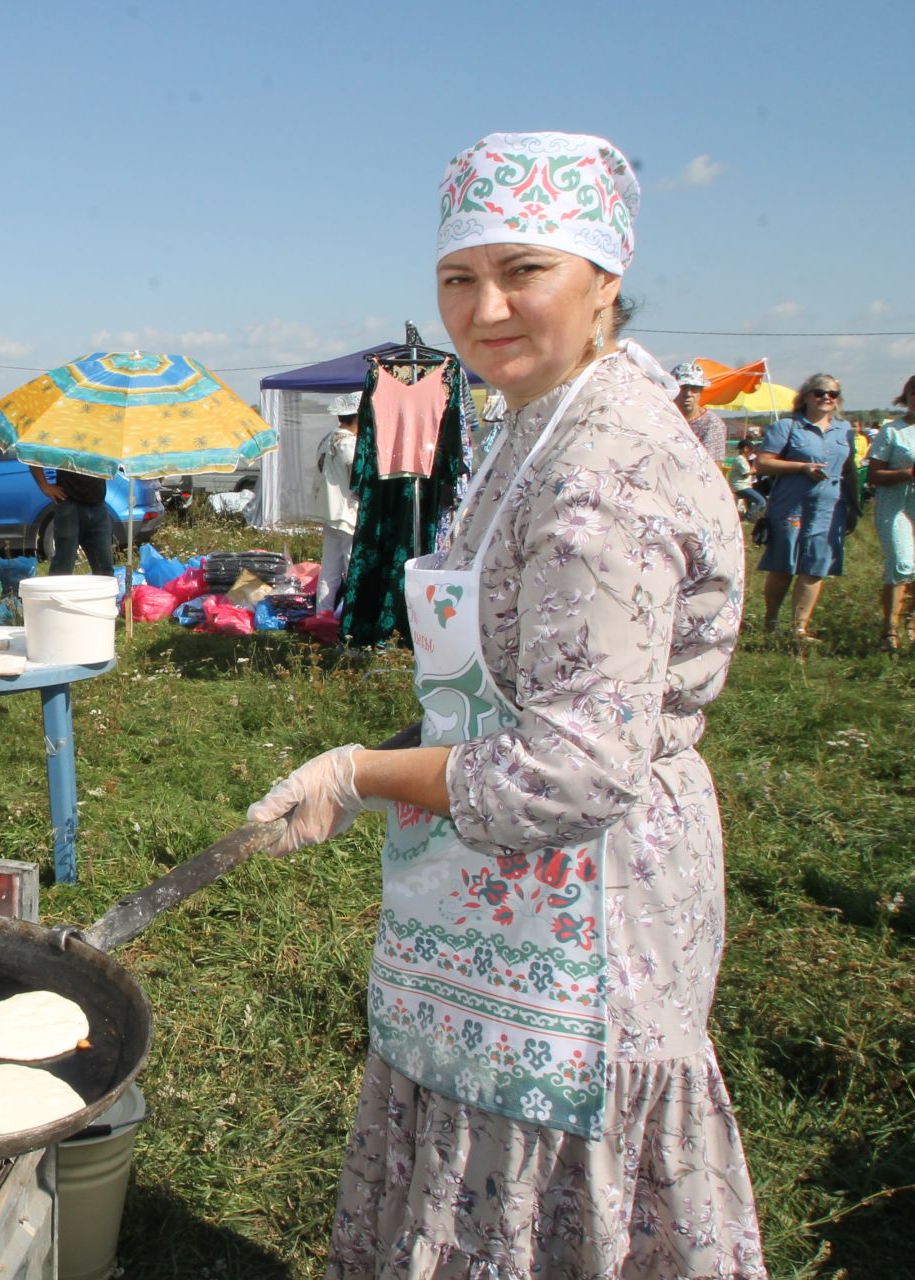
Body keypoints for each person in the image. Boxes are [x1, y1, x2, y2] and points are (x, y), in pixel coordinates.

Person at [248, 131, 765, 1276]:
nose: (485, 308)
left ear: (604, 282)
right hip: (500, 902)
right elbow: (513, 684)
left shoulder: (604, 472)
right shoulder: (537, 422)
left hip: (586, 923)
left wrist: (359, 771)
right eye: (457, 277)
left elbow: (574, 768)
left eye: (524, 269)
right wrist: (398, 747)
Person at [754, 373, 859, 641]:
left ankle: (799, 628)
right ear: (806, 396)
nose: (826, 397)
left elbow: (849, 470)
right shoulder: (787, 427)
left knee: (816, 567)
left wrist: (853, 505)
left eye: (833, 394)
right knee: (784, 565)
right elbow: (763, 463)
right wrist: (802, 467)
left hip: (829, 507)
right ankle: (772, 622)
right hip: (791, 504)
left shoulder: (845, 430)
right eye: (820, 392)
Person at [868, 376, 915, 650]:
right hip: (895, 505)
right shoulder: (892, 432)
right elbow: (874, 474)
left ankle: (910, 622)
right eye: (913, 393)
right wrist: (907, 473)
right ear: (905, 397)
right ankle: (889, 631)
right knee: (902, 562)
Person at [316, 391, 361, 613]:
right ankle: (348, 617)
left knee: (330, 571)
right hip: (346, 511)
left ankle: (322, 615)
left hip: (329, 511)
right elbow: (357, 471)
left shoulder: (327, 439)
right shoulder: (348, 443)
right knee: (353, 567)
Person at [28, 463, 114, 577]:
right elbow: (33, 452)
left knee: (105, 568)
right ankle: (55, 594)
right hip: (69, 502)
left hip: (97, 504)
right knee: (64, 565)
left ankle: (104, 594)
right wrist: (44, 486)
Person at [671, 360, 729, 462]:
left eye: (694, 388)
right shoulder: (664, 418)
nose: (688, 393)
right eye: (682, 388)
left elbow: (713, 467)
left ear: (701, 390)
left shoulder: (711, 424)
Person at [726, 436, 767, 522]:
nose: (751, 452)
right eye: (751, 449)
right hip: (741, 486)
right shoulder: (740, 459)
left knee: (749, 504)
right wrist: (755, 468)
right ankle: (748, 516)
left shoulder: (742, 459)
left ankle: (747, 517)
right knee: (761, 501)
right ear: (745, 449)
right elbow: (745, 473)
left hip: (742, 485)